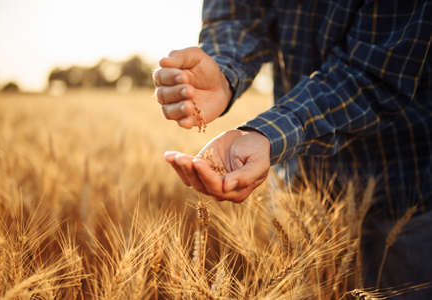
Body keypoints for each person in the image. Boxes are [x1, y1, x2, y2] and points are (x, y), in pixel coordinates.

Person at [153, 0, 432, 297]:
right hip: (296, 194)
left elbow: (376, 72)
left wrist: (270, 135)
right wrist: (223, 70)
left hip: (402, 196)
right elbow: (238, 12)